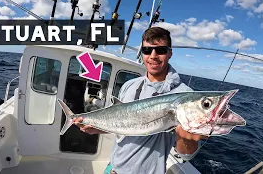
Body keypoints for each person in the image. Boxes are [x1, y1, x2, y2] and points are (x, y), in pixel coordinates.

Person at [73, 27, 207, 174]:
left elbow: (185, 154)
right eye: (147, 50)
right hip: (113, 169)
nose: (153, 56)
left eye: (160, 50)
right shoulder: (129, 85)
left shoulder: (186, 95)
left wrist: (187, 138)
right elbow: (124, 124)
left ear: (170, 53)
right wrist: (96, 129)